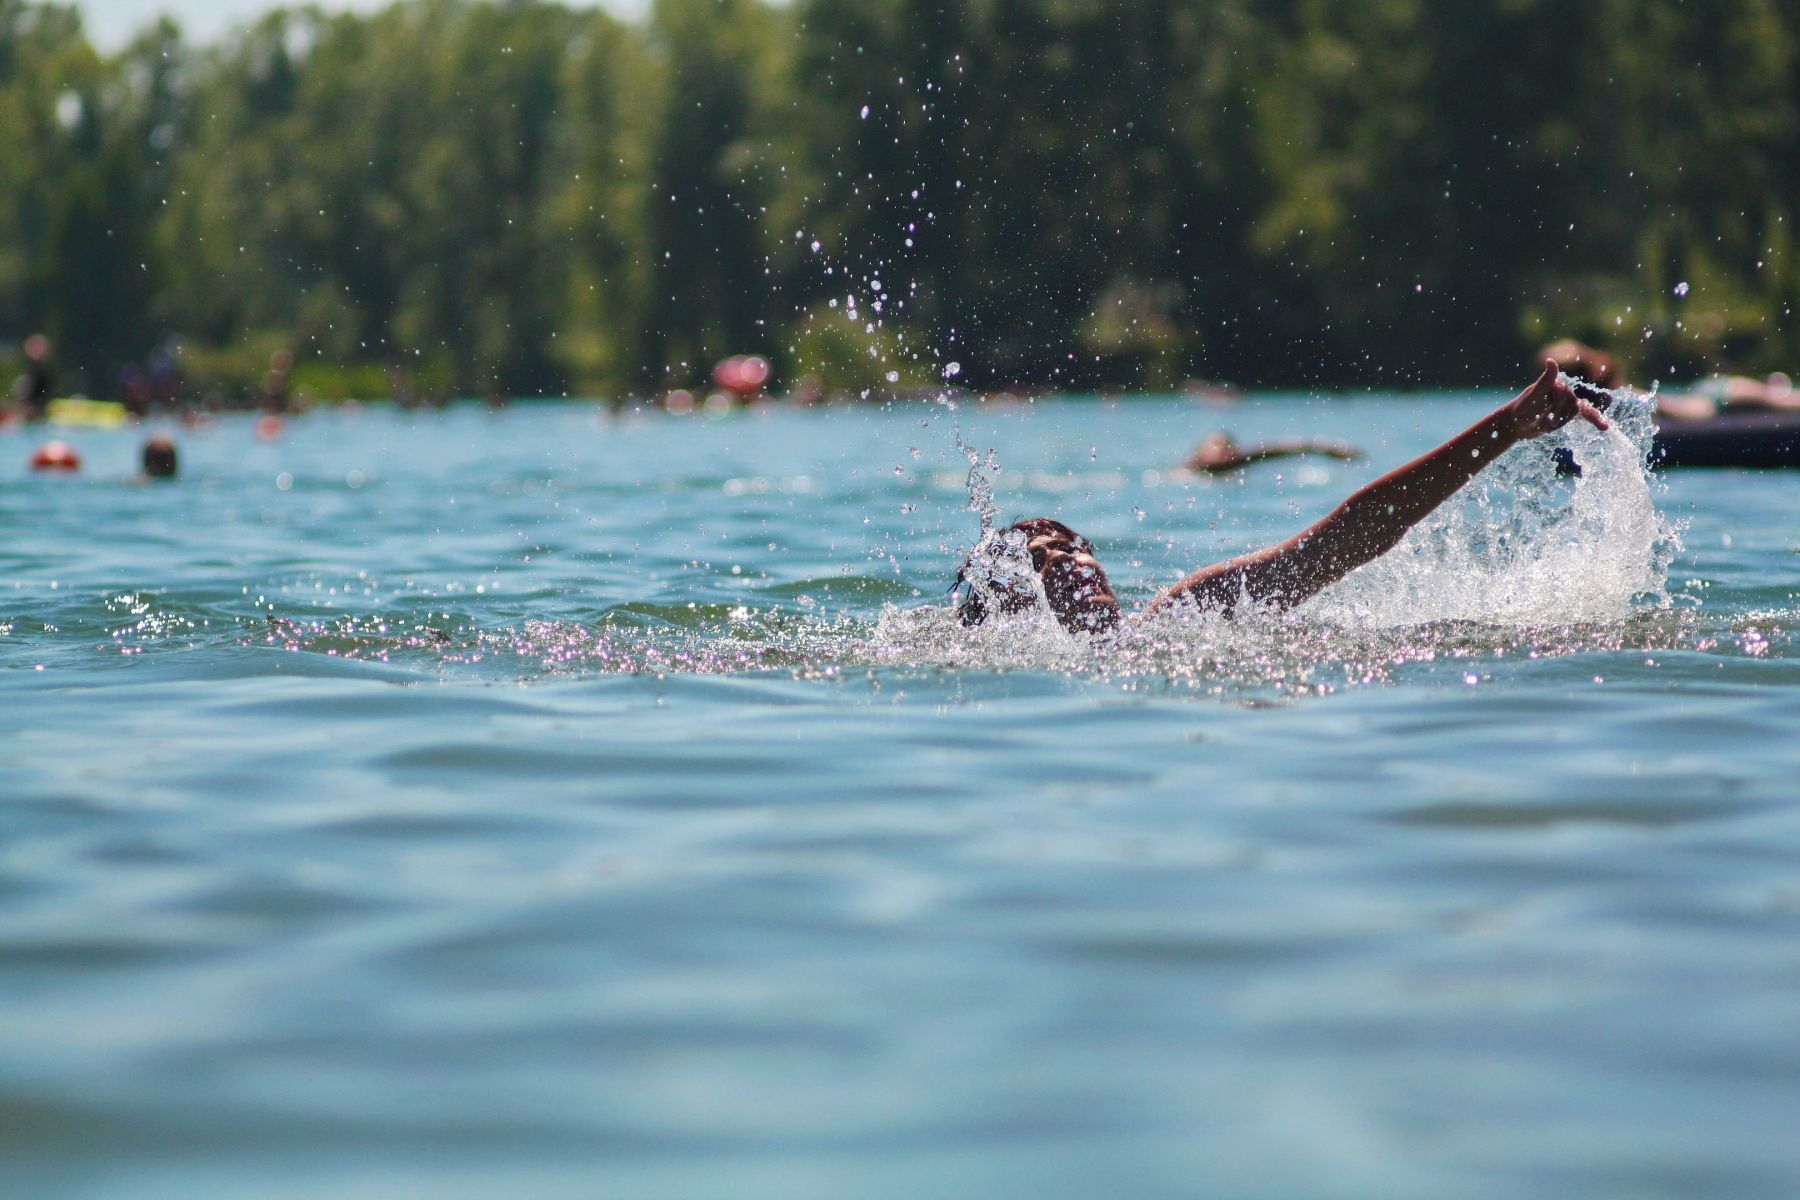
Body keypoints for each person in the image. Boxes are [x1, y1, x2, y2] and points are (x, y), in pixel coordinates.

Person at [955, 362, 1608, 634]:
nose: (1075, 563)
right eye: (1043, 560)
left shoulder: (1181, 619)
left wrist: (1504, 430)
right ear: (1011, 605)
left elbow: (1347, 538)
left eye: (1074, 546)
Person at [1539, 338, 1796, 421]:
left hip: (1720, 400)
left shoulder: (1617, 401)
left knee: (1786, 402)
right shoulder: (1609, 398)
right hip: (1706, 393)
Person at [1182, 431, 1364, 474]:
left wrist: (1327, 448)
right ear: (1200, 455)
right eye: (1216, 447)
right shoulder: (1187, 471)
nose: (1223, 451)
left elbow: (1281, 449)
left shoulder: (1244, 462)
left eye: (1227, 447)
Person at [14, 333, 55, 421]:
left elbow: (42, 393)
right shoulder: (32, 368)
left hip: (37, 410)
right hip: (34, 410)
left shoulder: (43, 370)